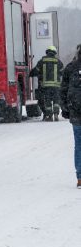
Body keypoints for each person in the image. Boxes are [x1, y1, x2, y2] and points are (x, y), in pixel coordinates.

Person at [60, 44, 81, 188]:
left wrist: (65, 109)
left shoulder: (70, 68)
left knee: (79, 146)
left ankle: (80, 177)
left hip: (76, 114)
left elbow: (63, 90)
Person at [30, 45, 64, 121]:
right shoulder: (58, 62)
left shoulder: (42, 61)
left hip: (46, 86)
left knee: (47, 100)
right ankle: (56, 114)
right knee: (56, 100)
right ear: (54, 53)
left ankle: (49, 116)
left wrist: (30, 74)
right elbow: (63, 73)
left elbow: (36, 71)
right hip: (56, 86)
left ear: (47, 52)